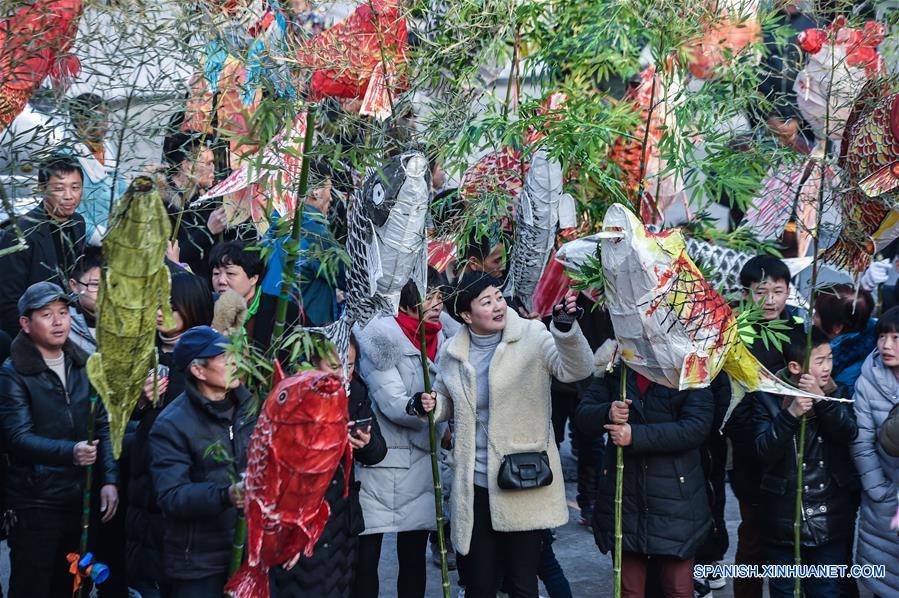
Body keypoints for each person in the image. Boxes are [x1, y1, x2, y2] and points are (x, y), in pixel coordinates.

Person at [417, 273, 594, 598]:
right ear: (467, 316)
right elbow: (447, 403)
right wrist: (431, 405)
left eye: (498, 296)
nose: (498, 305)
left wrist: (566, 328)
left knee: (522, 584)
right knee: (479, 585)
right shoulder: (453, 352)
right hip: (474, 486)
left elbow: (577, 370)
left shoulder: (532, 335)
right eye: (486, 302)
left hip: (521, 482)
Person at [0, 281, 118, 598]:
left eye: (64, 313)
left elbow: (102, 427)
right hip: (36, 500)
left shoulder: (84, 363)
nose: (58, 322)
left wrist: (108, 479)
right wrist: (71, 452)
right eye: (47, 314)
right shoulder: (13, 373)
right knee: (33, 584)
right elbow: (18, 437)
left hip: (81, 498)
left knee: (73, 584)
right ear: (26, 324)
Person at [574, 364, 714, 598]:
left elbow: (696, 427)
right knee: (629, 591)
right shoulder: (615, 366)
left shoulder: (689, 365)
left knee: (678, 590)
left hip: (674, 501)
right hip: (625, 500)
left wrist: (635, 436)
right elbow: (583, 415)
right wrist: (607, 413)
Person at [353, 276, 451, 598]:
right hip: (384, 463)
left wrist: (446, 421)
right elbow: (392, 401)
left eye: (440, 298)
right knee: (367, 558)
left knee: (413, 560)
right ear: (408, 301)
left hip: (423, 464)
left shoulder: (446, 337)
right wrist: (418, 405)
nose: (437, 306)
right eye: (429, 299)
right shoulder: (380, 337)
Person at [269, 335, 388, 597]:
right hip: (302, 521)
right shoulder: (291, 398)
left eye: (351, 365)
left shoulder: (355, 391)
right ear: (311, 362)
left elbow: (379, 451)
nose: (344, 374)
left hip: (343, 519)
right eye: (335, 366)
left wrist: (366, 443)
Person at [149, 325, 256, 597]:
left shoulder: (250, 408)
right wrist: (225, 495)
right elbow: (171, 495)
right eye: (224, 358)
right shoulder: (172, 424)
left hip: (250, 552)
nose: (235, 362)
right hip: (198, 562)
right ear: (198, 370)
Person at [753, 328, 859, 597]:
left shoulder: (839, 391)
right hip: (783, 520)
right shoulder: (767, 394)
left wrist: (822, 401)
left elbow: (849, 432)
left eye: (830, 358)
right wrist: (790, 414)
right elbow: (763, 451)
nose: (827, 367)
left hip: (829, 520)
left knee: (826, 590)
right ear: (795, 367)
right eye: (819, 360)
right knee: (784, 591)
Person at [126, 272, 214, 598]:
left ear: (192, 307)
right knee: (147, 577)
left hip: (189, 490)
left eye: (170, 305)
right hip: (145, 487)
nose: (160, 311)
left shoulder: (210, 362)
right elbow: (112, 419)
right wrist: (138, 402)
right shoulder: (142, 354)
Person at [726, 253, 806, 598]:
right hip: (752, 451)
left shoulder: (802, 332)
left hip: (796, 453)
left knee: (791, 541)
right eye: (761, 291)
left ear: (789, 291)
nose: (770, 300)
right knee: (753, 538)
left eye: (778, 291)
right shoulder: (734, 334)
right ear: (746, 293)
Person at [0, 153, 86, 338]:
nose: (69, 196)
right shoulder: (20, 233)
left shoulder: (78, 223)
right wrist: (30, 343)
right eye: (59, 188)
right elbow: (8, 300)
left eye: (75, 187)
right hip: (35, 331)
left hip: (70, 324)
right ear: (41, 189)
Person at [259, 161, 345, 327]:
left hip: (268, 324)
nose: (332, 198)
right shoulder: (314, 234)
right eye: (329, 189)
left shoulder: (276, 228)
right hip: (302, 330)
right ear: (315, 192)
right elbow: (348, 277)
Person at [851, 306, 899, 597]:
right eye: (882, 337)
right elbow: (861, 440)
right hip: (884, 497)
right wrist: (877, 488)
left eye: (896, 337)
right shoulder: (868, 379)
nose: (887, 345)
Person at [160, 126, 225, 281]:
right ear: (187, 165)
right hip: (181, 289)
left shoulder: (203, 199)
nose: (213, 168)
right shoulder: (162, 204)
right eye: (208, 163)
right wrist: (208, 230)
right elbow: (173, 257)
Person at [66, 93, 128, 245]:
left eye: (106, 118)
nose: (105, 124)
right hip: (86, 244)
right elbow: (69, 210)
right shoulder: (67, 156)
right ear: (80, 121)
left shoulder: (108, 147)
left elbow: (121, 190)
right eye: (100, 117)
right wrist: (100, 237)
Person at [815, 284, 876, 395]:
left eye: (817, 314)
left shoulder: (847, 372)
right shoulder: (867, 333)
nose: (813, 318)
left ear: (837, 327)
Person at [67, 245, 102, 353]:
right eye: (95, 285)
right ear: (74, 285)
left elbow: (150, 369)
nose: (105, 293)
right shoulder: (62, 326)